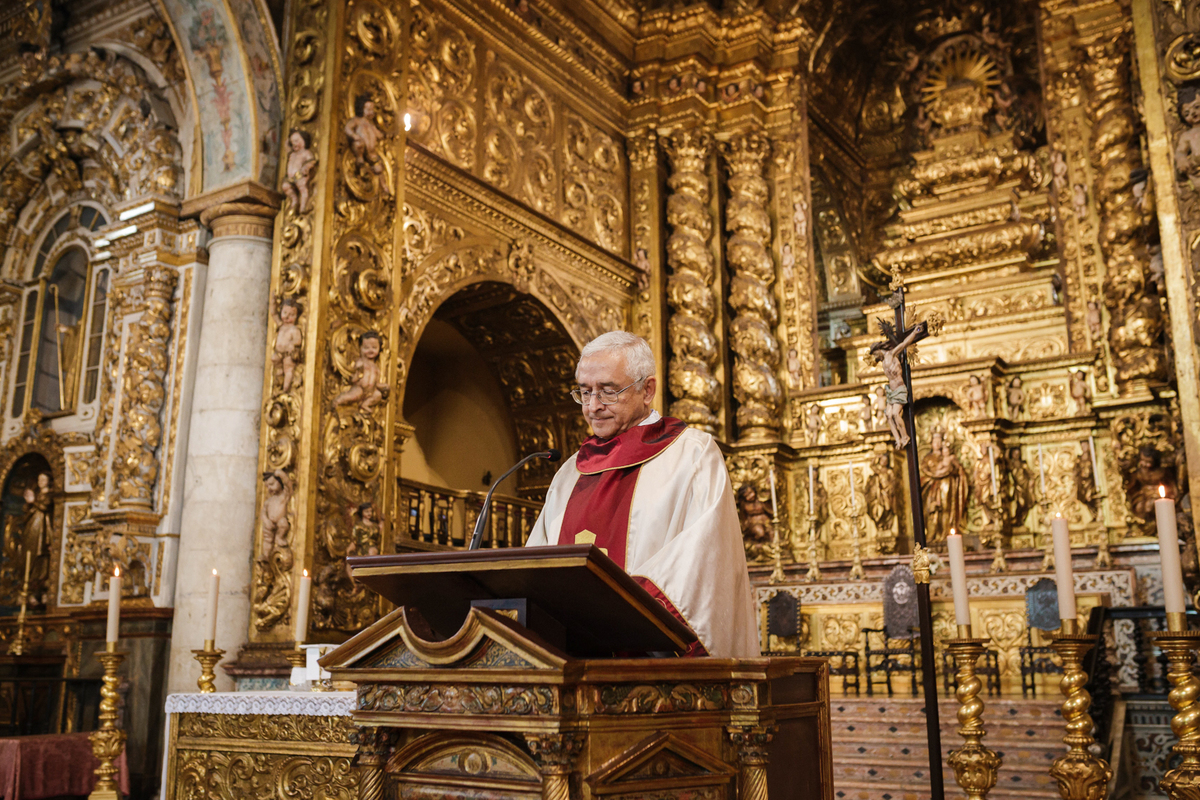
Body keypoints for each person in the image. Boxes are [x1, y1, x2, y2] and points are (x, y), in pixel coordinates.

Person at [526, 331, 759, 658]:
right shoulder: (569, 473)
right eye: (584, 392)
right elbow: (536, 568)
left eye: (608, 391)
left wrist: (612, 620)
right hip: (569, 664)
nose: (593, 406)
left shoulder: (691, 456)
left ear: (647, 390)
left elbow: (703, 566)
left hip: (652, 665)